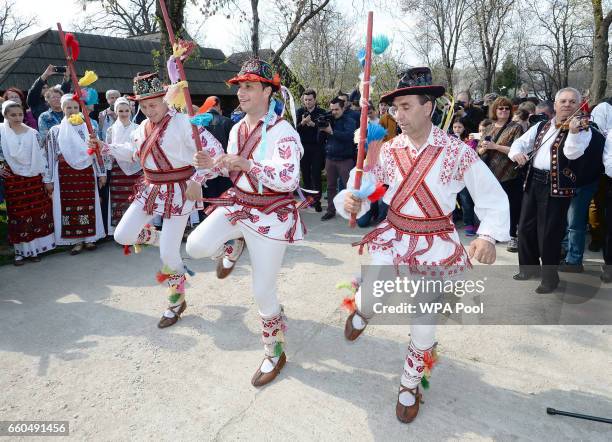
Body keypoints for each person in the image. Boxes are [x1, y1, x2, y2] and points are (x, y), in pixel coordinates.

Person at [336, 66, 509, 423]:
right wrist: (354, 201)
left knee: (425, 322)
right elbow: (371, 191)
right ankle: (364, 310)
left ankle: (410, 381)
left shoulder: (457, 152)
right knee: (371, 297)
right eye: (395, 108)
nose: (398, 115)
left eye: (406, 106)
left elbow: (491, 195)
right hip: (393, 236)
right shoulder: (386, 150)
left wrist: (488, 236)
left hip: (435, 244)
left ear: (428, 107)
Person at [186, 57, 307, 387]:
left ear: (268, 90)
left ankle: (274, 350)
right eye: (240, 86)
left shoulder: (283, 131)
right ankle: (235, 240)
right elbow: (229, 168)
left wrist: (247, 163)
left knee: (262, 291)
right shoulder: (238, 127)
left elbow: (287, 178)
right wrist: (212, 163)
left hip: (272, 213)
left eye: (250, 86)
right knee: (195, 246)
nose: (241, 92)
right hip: (239, 204)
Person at [89, 71, 224, 328]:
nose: (149, 110)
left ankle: (176, 301)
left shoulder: (185, 122)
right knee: (123, 235)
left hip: (179, 190)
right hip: (149, 188)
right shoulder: (142, 128)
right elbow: (132, 154)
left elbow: (215, 153)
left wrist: (198, 180)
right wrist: (105, 148)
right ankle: (165, 242)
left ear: (166, 99)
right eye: (143, 105)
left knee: (167, 255)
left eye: (153, 104)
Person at [508, 87, 605, 293]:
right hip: (533, 180)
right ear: (555, 104)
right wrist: (516, 154)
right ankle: (528, 269)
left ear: (579, 106)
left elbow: (573, 152)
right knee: (525, 227)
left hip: (557, 185)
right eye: (563, 101)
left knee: (549, 234)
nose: (567, 105)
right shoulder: (542, 125)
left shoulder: (583, 129)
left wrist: (573, 132)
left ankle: (550, 278)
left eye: (572, 102)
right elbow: (520, 144)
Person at [43, 94, 106, 255]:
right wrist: (48, 179)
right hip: (65, 175)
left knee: (89, 203)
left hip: (86, 173)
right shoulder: (55, 131)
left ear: (80, 109)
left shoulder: (89, 129)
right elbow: (49, 156)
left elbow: (97, 152)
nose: (72, 111)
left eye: (75, 108)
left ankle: (90, 238)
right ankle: (76, 241)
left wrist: (101, 173)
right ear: (62, 109)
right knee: (69, 207)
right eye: (68, 107)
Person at [0, 101, 55, 265]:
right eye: (13, 115)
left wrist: (47, 179)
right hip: (13, 180)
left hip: (33, 178)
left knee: (36, 213)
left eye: (20, 114)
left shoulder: (32, 133)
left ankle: (35, 250)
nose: (17, 118)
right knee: (18, 215)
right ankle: (20, 252)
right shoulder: (1, 132)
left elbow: (42, 155)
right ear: (5, 116)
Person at [477, 97, 524, 252]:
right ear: (494, 110)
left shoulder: (515, 127)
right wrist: (484, 148)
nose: (504, 111)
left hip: (510, 173)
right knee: (493, 206)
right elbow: (479, 149)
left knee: (512, 205)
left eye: (506, 108)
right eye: (500, 108)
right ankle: (494, 233)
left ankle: (512, 236)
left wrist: (495, 146)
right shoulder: (489, 127)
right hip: (490, 173)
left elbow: (518, 150)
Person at [103, 97, 141, 235]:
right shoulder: (111, 131)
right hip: (117, 170)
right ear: (116, 112)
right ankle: (121, 233)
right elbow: (106, 151)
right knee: (119, 199)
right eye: (121, 111)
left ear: (130, 111)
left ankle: (138, 232)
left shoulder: (138, 128)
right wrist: (106, 170)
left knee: (137, 199)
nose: (124, 114)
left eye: (126, 110)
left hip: (136, 169)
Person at [320, 97, 357, 221]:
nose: (333, 112)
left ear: (343, 108)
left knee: (349, 187)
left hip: (345, 160)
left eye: (336, 109)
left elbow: (349, 136)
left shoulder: (349, 120)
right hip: (330, 158)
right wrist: (321, 128)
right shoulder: (329, 119)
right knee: (330, 187)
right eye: (331, 109)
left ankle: (353, 212)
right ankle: (331, 210)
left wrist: (332, 132)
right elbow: (319, 139)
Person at [296, 89, 325, 212]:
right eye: (306, 100)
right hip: (303, 148)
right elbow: (295, 129)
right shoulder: (300, 112)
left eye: (310, 99)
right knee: (306, 175)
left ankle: (317, 201)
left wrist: (313, 124)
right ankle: (309, 200)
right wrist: (302, 123)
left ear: (315, 100)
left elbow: (324, 129)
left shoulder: (321, 112)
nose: (307, 102)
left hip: (317, 148)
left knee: (316, 175)